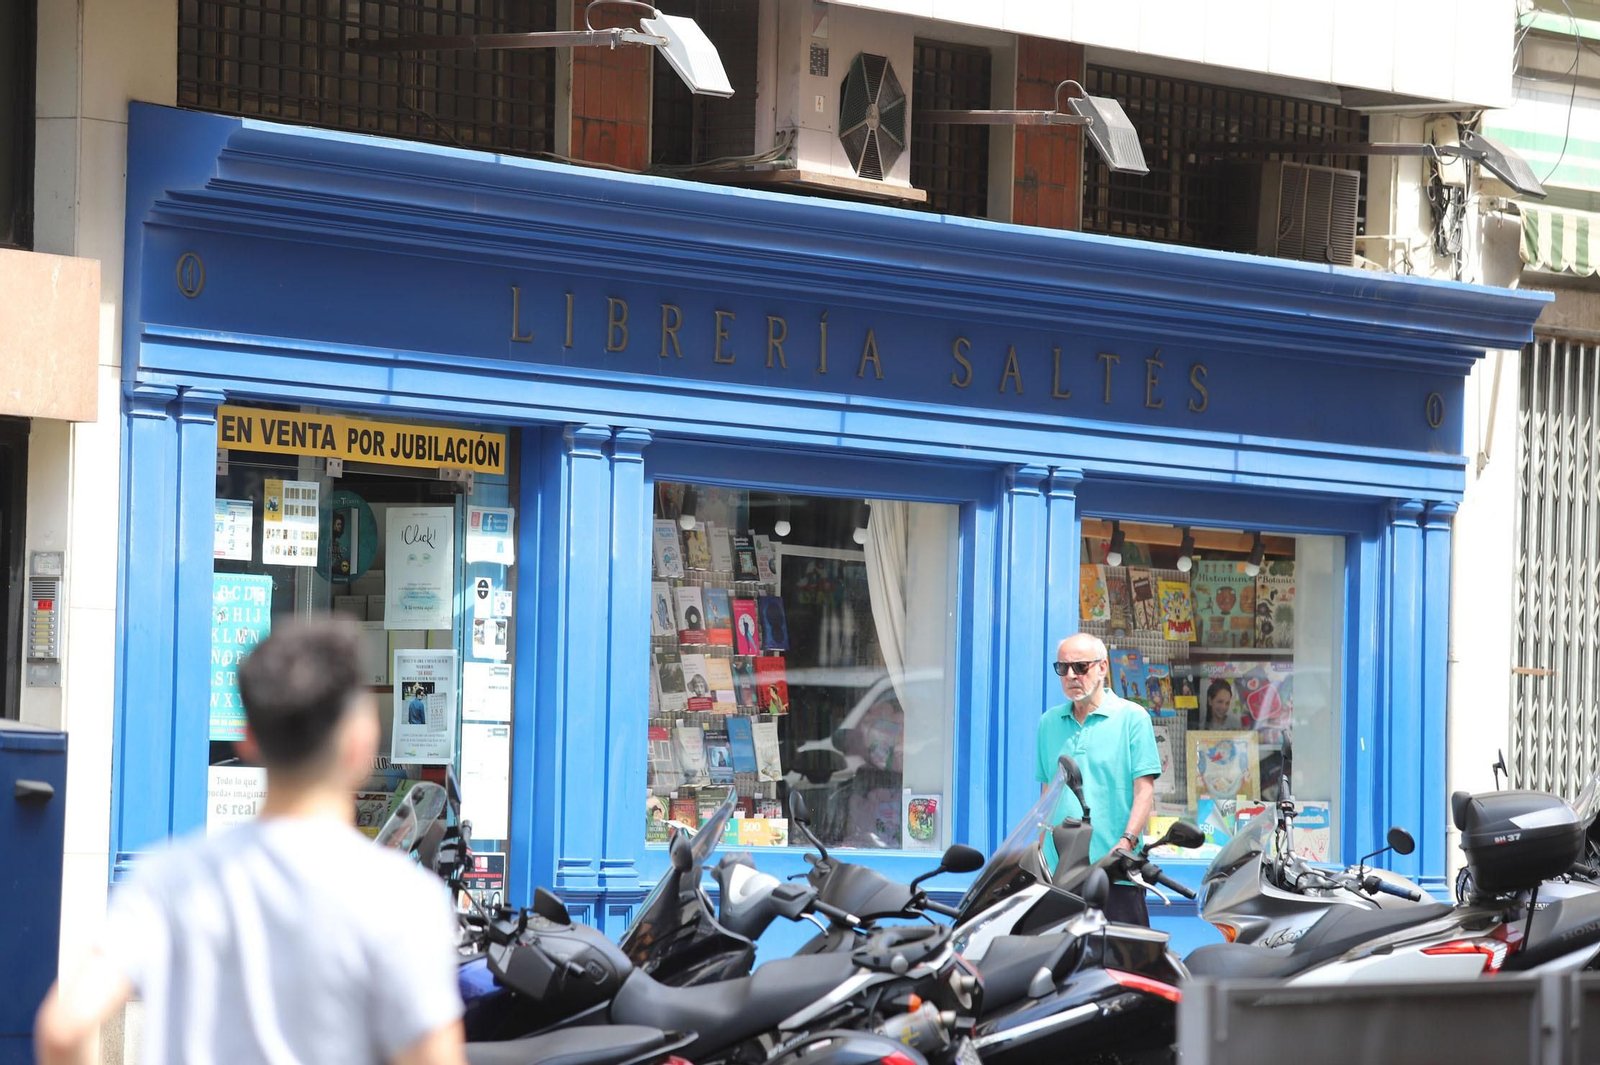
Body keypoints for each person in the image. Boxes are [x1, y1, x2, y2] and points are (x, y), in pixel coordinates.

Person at [35, 618, 466, 1065]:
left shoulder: (167, 879)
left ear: (248, 738)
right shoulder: (403, 900)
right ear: (361, 743)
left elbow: (65, 1027)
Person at [1036, 632, 1162, 926]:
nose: (1071, 675)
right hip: (1059, 875)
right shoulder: (1049, 723)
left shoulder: (1133, 718)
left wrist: (1126, 843)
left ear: (1103, 667)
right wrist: (1040, 856)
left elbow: (1144, 792)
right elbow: (1047, 794)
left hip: (1113, 872)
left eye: (1081, 667)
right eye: (1062, 668)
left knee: (1122, 965)